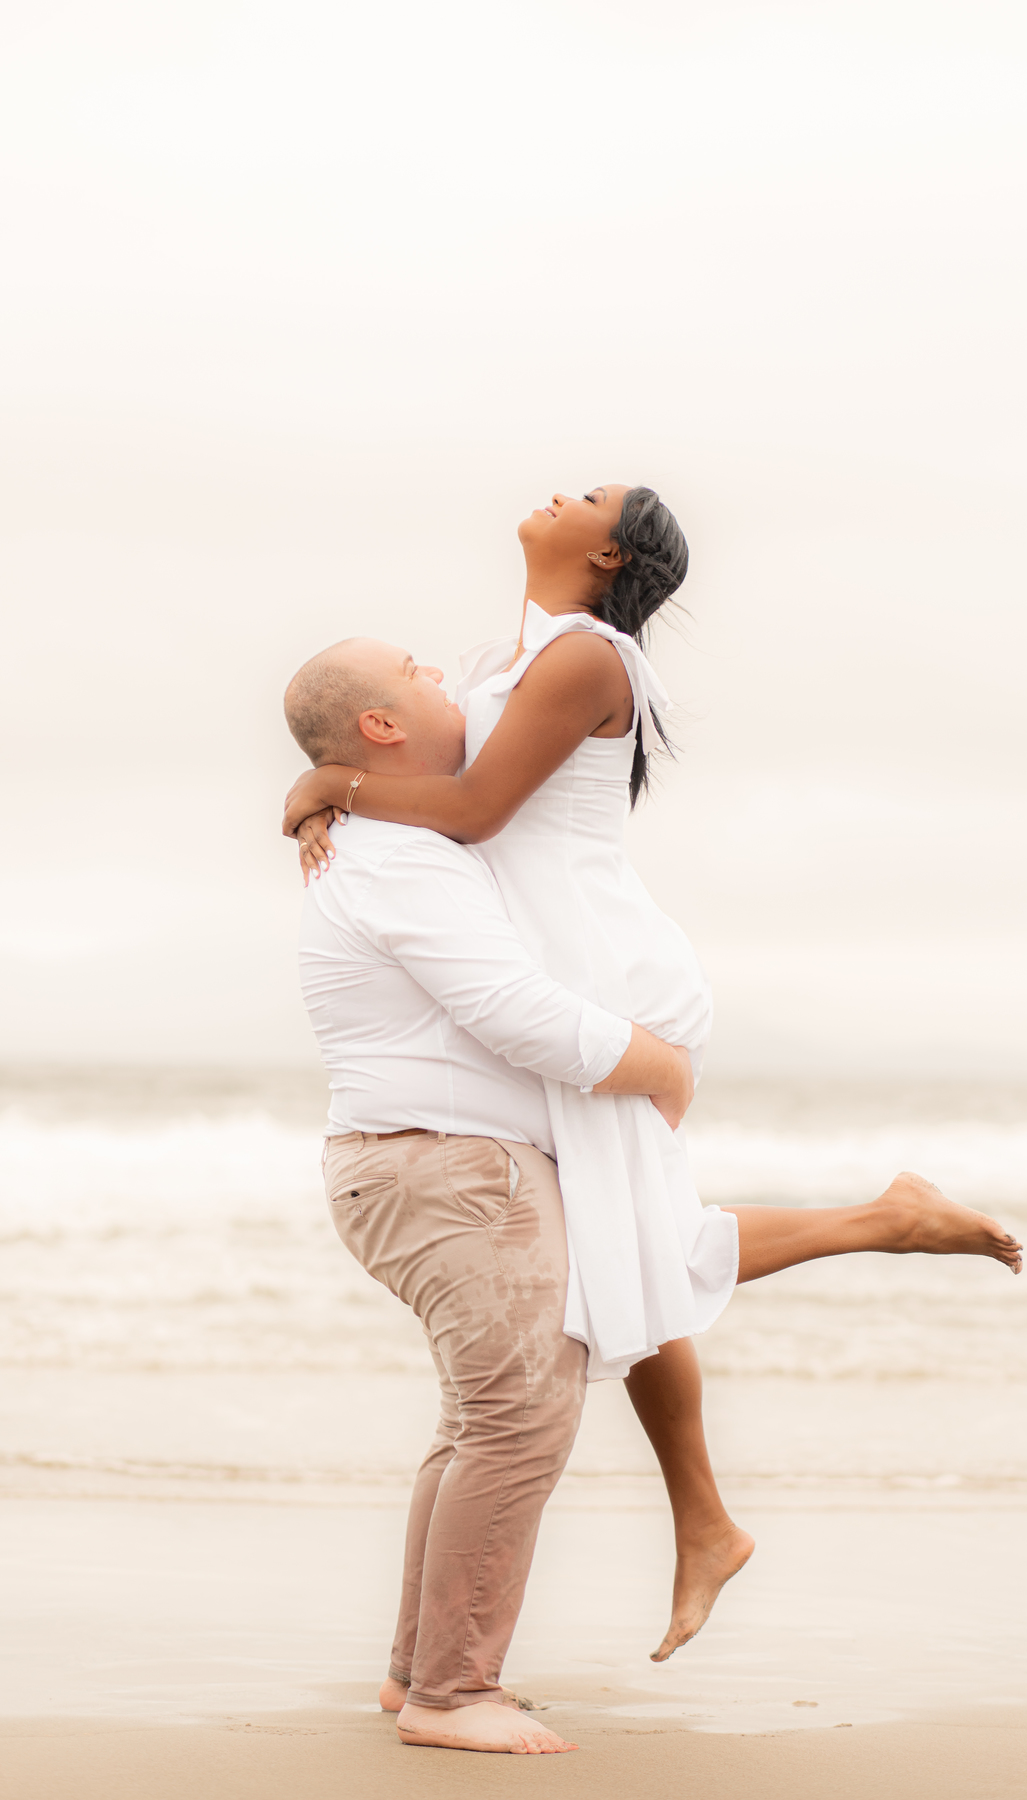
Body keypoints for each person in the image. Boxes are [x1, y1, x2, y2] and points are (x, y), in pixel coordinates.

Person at [284, 486, 1023, 1664]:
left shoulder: (586, 656)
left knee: (635, 1248)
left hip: (601, 973)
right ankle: (862, 1261)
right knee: (634, 1245)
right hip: (562, 963)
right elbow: (420, 760)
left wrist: (336, 788)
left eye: (591, 498)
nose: (563, 492)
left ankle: (716, 1501)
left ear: (606, 553)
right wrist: (332, 779)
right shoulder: (504, 657)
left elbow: (473, 808)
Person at [285, 643, 697, 1754]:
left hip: (427, 1166)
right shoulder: (401, 861)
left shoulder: (391, 838)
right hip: (453, 1171)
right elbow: (514, 1010)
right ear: (382, 726)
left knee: (480, 1421)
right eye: (415, 671)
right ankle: (454, 1692)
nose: (443, 674)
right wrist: (659, 1066)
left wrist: (325, 785)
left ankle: (418, 1673)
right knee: (517, 1423)